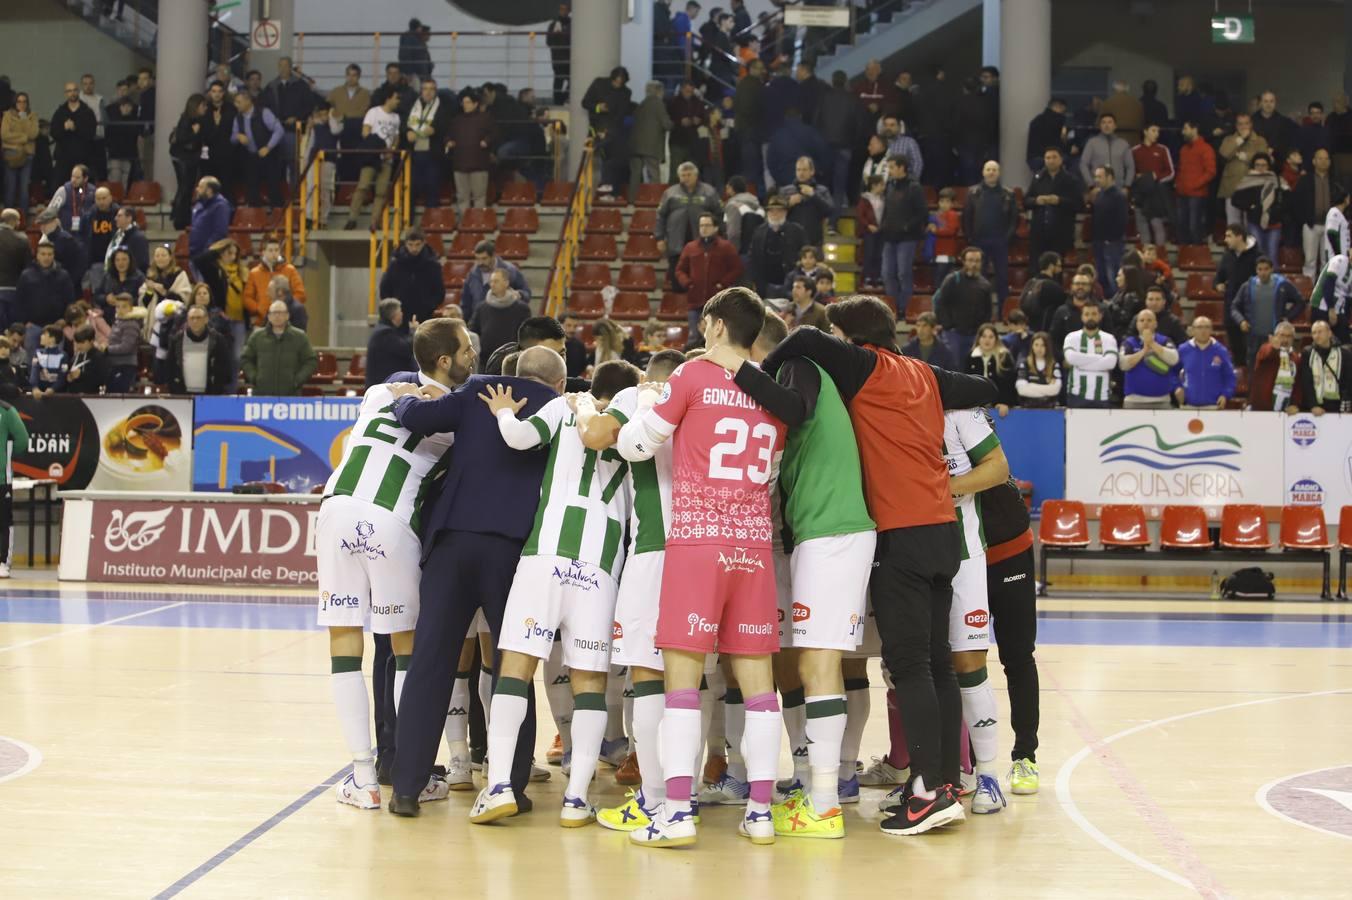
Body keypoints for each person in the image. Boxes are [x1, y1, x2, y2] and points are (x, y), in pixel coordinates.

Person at [761, 296, 998, 836]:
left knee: (909, 666)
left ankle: (931, 792)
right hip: (944, 531)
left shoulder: (865, 366)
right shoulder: (925, 374)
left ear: (852, 337)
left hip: (901, 533)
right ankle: (939, 782)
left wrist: (768, 372)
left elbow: (800, 340)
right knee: (936, 664)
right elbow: (985, 389)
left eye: (841, 336)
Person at [688, 310, 877, 835]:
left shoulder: (799, 363)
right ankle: (820, 797)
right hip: (826, 533)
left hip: (835, 532)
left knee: (819, 666)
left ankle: (824, 803)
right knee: (817, 664)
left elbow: (791, 405)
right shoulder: (799, 382)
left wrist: (734, 365)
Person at [611, 288, 786, 848]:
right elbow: (774, 470)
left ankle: (678, 812)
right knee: (759, 688)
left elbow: (636, 446)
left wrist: (641, 404)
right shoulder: (772, 391)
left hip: (697, 546)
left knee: (682, 685)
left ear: (712, 325)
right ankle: (760, 812)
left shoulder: (691, 375)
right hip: (753, 547)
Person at [384, 342, 563, 816]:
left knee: (431, 663)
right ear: (560, 382)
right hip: (513, 551)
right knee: (513, 667)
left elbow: (416, 419)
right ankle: (511, 785)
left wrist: (402, 397)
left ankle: (406, 788)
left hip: (452, 543)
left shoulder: (478, 388)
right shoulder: (560, 408)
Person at [469, 360, 641, 827]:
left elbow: (518, 439)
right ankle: (577, 799)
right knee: (589, 682)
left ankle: (500, 784)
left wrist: (505, 412)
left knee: (516, 668)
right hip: (600, 566)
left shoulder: (564, 408)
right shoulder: (635, 430)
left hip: (544, 556)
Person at [318, 318, 467, 812]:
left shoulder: (381, 392)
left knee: (343, 640)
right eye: (466, 348)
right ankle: (412, 773)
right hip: (391, 520)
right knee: (405, 648)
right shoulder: (455, 415)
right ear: (447, 359)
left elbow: (404, 382)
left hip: (336, 508)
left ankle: (362, 778)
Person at [1231, 256, 1305, 370]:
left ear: (1271, 269)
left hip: (1276, 337)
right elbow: (1234, 307)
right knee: (1254, 372)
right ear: (1256, 270)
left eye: (1266, 269)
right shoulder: (1247, 286)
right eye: (1260, 269)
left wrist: (1287, 318)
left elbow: (1300, 302)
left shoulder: (1282, 284)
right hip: (1253, 338)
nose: (1263, 272)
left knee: (1276, 371)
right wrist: (1241, 321)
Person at [674, 212, 743, 334]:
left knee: (717, 337)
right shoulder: (690, 247)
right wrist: (688, 284)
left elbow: (737, 268)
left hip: (718, 303)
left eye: (707, 225)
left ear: (715, 227)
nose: (704, 228)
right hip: (695, 301)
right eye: (701, 225)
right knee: (694, 337)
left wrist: (722, 284)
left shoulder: (726, 247)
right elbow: (680, 270)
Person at [656, 163, 723, 287]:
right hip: (676, 243)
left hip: (703, 245)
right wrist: (659, 238)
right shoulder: (670, 192)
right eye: (683, 175)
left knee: (700, 280)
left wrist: (719, 235)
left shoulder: (709, 191)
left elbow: (719, 214)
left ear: (696, 175)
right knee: (677, 281)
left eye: (689, 175)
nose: (686, 178)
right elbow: (661, 216)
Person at [962, 161, 1018, 302]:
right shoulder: (973, 192)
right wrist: (970, 238)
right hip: (979, 241)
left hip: (1000, 241)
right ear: (983, 172)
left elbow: (1014, 220)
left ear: (999, 173)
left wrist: (1007, 238)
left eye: (994, 169)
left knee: (1002, 278)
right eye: (988, 169)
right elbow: (966, 217)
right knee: (979, 279)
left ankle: (1002, 314)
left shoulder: (1009, 194)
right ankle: (981, 312)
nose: (991, 172)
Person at [345, 91, 401, 230]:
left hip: (387, 159)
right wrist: (379, 146)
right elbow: (365, 132)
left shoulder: (396, 118)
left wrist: (392, 149)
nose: (398, 101)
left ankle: (375, 222)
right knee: (363, 186)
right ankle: (352, 218)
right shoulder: (374, 112)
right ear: (388, 98)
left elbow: (396, 137)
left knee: (381, 192)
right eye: (396, 98)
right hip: (372, 156)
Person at [879, 155, 927, 310]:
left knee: (903, 274)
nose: (889, 170)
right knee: (887, 274)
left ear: (901, 168)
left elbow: (922, 213)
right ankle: (892, 308)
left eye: (892, 167)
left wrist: (907, 226)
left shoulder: (914, 187)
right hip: (889, 237)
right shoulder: (889, 186)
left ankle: (904, 308)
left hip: (907, 238)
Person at [241, 300, 318, 395]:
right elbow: (245, 359)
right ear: (269, 316)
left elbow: (311, 360)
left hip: (290, 396)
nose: (277, 316)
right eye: (274, 313)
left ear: (287, 316)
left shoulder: (299, 337)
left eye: (281, 313)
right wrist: (254, 378)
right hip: (261, 396)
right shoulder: (257, 337)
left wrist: (297, 381)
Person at [934, 246, 995, 362]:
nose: (974, 264)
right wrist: (948, 325)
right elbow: (940, 303)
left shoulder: (985, 285)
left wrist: (981, 331)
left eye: (977, 261)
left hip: (975, 335)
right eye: (971, 260)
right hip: (954, 334)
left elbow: (988, 311)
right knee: (954, 368)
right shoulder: (952, 280)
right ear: (964, 261)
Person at [378, 228, 445, 325]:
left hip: (425, 317)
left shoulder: (433, 265)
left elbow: (439, 292)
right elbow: (385, 289)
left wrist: (428, 307)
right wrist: (394, 310)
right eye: (410, 245)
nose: (414, 249)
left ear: (423, 243)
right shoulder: (395, 263)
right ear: (405, 244)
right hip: (398, 317)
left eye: (417, 245)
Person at [445, 90, 496, 214]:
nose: (465, 105)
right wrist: (449, 141)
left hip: (478, 163)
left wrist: (486, 141)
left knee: (479, 197)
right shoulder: (456, 120)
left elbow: (494, 134)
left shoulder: (485, 118)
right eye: (463, 103)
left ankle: (477, 224)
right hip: (460, 163)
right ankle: (464, 223)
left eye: (468, 102)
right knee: (462, 197)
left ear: (475, 104)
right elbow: (448, 135)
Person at [1025, 147, 1080, 262]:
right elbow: (1026, 201)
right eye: (1048, 158)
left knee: (1056, 270)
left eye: (1054, 157)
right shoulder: (1038, 178)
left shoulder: (1071, 180)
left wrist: (1059, 200)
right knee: (1036, 268)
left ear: (1061, 160)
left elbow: (1079, 204)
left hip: (1061, 234)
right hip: (1039, 233)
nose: (1051, 160)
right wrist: (1036, 201)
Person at [1214, 224, 1260, 357]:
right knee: (1235, 349)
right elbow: (1219, 277)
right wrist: (1218, 285)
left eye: (1229, 236)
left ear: (1239, 237)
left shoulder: (1257, 256)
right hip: (1230, 308)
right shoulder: (1227, 256)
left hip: (1251, 310)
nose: (1225, 240)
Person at [1061, 299, 1117, 408]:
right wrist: (1100, 359)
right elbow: (1071, 358)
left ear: (1100, 316)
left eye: (1094, 314)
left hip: (1102, 396)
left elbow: (1110, 363)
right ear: (1082, 317)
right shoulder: (1072, 337)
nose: (1090, 317)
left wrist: (1080, 364)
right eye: (1087, 314)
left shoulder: (1109, 338)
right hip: (1076, 395)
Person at [231, 92, 284, 208]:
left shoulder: (264, 112)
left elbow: (279, 130)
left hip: (269, 155)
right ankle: (255, 216)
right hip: (250, 156)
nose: (236, 105)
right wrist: (238, 137)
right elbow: (232, 138)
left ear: (248, 101)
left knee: (273, 187)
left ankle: (279, 216)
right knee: (251, 188)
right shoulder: (238, 118)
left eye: (239, 102)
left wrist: (268, 147)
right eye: (235, 102)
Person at [1118, 308, 1179, 409]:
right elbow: (1123, 365)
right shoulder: (1129, 342)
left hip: (1162, 400)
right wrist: (1144, 351)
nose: (1145, 323)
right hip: (1134, 401)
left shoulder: (1164, 340)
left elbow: (1174, 359)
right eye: (1142, 320)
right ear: (1137, 324)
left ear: (1155, 324)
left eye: (1149, 320)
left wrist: (1152, 344)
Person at [16, 242, 76, 344]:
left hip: (56, 326)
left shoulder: (63, 275)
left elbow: (70, 300)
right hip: (32, 326)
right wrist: (24, 322)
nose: (46, 257)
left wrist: (65, 320)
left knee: (56, 358)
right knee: (32, 359)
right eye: (43, 254)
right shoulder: (26, 275)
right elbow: (19, 301)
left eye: (49, 254)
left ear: (54, 256)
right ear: (37, 255)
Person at [406, 80, 450, 211]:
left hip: (433, 154)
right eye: (425, 88)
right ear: (421, 91)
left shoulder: (442, 108)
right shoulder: (411, 105)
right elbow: (404, 124)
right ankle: (408, 224)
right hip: (414, 154)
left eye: (431, 89)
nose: (428, 92)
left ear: (436, 91)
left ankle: (431, 224)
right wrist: (407, 132)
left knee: (432, 189)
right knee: (410, 189)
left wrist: (434, 130)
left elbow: (443, 127)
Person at [748, 196, 806, 296]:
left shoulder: (797, 230)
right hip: (764, 281)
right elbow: (753, 257)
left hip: (790, 281)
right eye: (771, 211)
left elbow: (804, 253)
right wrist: (754, 279)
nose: (775, 214)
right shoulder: (759, 231)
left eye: (779, 211)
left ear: (785, 212)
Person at [243, 236, 306, 327]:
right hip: (262, 321)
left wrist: (284, 307)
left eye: (276, 250)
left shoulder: (290, 270)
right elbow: (247, 298)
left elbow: (300, 294)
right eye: (270, 250)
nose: (274, 253)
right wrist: (258, 309)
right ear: (263, 252)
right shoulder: (254, 273)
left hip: (286, 321)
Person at [1219, 114, 1270, 225]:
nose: (1243, 127)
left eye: (1246, 123)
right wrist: (1240, 140)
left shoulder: (1260, 140)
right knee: (1233, 223)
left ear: (1251, 124)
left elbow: (1263, 159)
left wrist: (1246, 156)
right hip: (1232, 186)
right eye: (1240, 124)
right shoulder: (1229, 139)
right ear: (1236, 126)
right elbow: (1224, 154)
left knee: (1250, 223)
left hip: (1252, 186)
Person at [1293, 150, 1338, 277]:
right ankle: (1308, 293)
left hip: (1330, 226)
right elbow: (1296, 202)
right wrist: (1304, 219)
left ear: (1329, 162)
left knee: (1327, 261)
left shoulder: (1335, 180)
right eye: (1320, 158)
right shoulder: (1305, 180)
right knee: (1309, 260)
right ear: (1314, 161)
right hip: (1311, 225)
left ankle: (1324, 293)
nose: (1323, 161)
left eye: (1326, 158)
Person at [1174, 317, 1235, 409]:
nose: (1203, 331)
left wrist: (1225, 394)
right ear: (1193, 330)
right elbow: (1172, 373)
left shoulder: (1221, 351)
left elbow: (1230, 376)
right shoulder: (1183, 350)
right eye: (1199, 327)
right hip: (1188, 406)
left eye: (1207, 327)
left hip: (1214, 406)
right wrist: (1177, 387)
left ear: (1211, 330)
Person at [1291, 320, 1351, 414]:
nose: (1317, 335)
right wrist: (1313, 405)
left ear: (1329, 333)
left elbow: (1348, 381)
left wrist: (1346, 404)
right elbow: (1306, 382)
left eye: (1320, 332)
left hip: (1337, 407)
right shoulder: (1307, 353)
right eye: (1314, 332)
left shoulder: (1344, 354)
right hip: (1313, 408)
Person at [168, 304, 230, 395]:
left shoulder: (218, 340)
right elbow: (170, 366)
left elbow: (225, 368)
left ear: (206, 319)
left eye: (199, 318)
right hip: (183, 395)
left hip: (210, 394)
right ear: (187, 320)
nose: (195, 321)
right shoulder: (177, 340)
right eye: (192, 318)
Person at [469, 269, 531, 357]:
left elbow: (526, 336)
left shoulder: (521, 309)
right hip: (485, 360)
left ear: (506, 283)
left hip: (511, 359)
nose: (492, 285)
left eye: (496, 281)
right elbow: (473, 331)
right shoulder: (481, 307)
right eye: (491, 281)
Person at [1130, 124, 1173, 248]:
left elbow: (1170, 172)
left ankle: (1160, 255)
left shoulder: (1162, 149)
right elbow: (1130, 171)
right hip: (1140, 194)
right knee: (1142, 226)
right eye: (1153, 131)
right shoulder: (1135, 151)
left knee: (1157, 224)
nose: (1156, 134)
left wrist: (1156, 177)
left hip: (1156, 194)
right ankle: (1145, 257)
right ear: (1145, 131)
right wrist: (1138, 178)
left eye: (1158, 131)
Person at [1175, 121, 1217, 245]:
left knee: (1194, 226)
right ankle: (1185, 255)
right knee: (1182, 226)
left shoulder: (1206, 149)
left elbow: (1211, 171)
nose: (1183, 132)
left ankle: (1197, 255)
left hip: (1197, 194)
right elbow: (1181, 169)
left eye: (1185, 128)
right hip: (1182, 193)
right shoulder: (1183, 149)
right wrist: (1178, 184)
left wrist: (1195, 185)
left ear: (1195, 129)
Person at [50, 83, 96, 193]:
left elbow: (91, 133)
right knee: (60, 188)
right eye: (69, 91)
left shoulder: (87, 112)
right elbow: (53, 133)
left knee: (83, 190)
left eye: (75, 90)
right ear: (66, 94)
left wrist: (76, 128)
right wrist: (64, 128)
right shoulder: (60, 112)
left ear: (78, 92)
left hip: (83, 157)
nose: (72, 93)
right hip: (63, 158)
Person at [1089, 165, 1128, 297]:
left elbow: (1122, 221)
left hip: (1113, 243)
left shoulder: (1119, 196)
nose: (1097, 180)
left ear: (1110, 177)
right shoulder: (1099, 195)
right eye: (1096, 177)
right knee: (1102, 276)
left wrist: (1110, 238)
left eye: (1100, 177)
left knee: (1113, 276)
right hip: (1099, 242)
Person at [779, 156, 832, 246]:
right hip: (790, 242)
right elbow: (775, 213)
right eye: (798, 170)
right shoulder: (785, 191)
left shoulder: (822, 190)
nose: (801, 173)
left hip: (814, 243)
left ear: (812, 171)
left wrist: (813, 195)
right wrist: (788, 203)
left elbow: (829, 210)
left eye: (804, 170)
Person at [1248, 323, 1300, 412]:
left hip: (1285, 410)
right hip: (1262, 409)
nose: (1285, 339)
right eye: (1282, 335)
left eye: (1289, 336)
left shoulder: (1296, 358)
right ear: (1275, 336)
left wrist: (1295, 404)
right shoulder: (1265, 349)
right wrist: (1274, 349)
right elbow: (1266, 354)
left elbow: (1297, 385)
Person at [966, 324, 1016, 414]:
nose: (987, 340)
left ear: (996, 339)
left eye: (991, 337)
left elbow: (1009, 383)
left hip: (998, 406)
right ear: (978, 339)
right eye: (984, 336)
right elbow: (966, 383)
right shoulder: (971, 357)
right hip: (975, 407)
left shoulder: (1004, 356)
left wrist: (1004, 402)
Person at [2, 92, 39, 211]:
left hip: (27, 156)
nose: (22, 104)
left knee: (24, 188)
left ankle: (23, 218)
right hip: (12, 155)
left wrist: (24, 119)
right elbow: (5, 135)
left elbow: (33, 134)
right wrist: (24, 138)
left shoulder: (32, 116)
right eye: (19, 101)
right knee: (10, 188)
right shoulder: (7, 115)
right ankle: (7, 218)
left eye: (24, 102)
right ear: (15, 102)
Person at [366, 298, 414, 387]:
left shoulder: (385, 330)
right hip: (382, 387)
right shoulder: (384, 333)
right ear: (394, 315)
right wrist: (415, 332)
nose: (402, 314)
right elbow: (407, 349)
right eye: (400, 311)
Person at [1078, 113, 1134, 189]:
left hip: (1118, 189)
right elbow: (1083, 164)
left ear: (1115, 126)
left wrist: (1127, 186)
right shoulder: (1092, 143)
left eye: (1109, 122)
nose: (1106, 125)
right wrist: (1091, 185)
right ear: (1100, 126)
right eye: (1103, 122)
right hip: (1097, 189)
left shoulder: (1123, 144)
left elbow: (1130, 167)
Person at [34, 210, 85, 290]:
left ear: (55, 222)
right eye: (41, 224)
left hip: (67, 286)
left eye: (45, 223)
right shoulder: (50, 240)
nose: (42, 227)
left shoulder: (65, 240)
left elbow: (75, 265)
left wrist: (68, 284)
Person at [1311, 252, 1352, 343]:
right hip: (1321, 306)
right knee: (1322, 341)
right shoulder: (1339, 260)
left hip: (1339, 309)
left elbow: (1349, 298)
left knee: (1345, 343)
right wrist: (1331, 309)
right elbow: (1328, 284)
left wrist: (1348, 319)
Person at [188, 177, 231, 259]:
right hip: (194, 252)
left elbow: (220, 231)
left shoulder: (221, 206)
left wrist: (207, 249)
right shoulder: (198, 205)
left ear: (209, 190)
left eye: (200, 187)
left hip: (209, 255)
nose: (197, 189)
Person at [1015, 332, 1061, 407]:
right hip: (1027, 408)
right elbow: (1021, 390)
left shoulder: (1054, 365)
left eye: (1043, 345)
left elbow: (1056, 390)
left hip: (1049, 409)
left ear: (1048, 347)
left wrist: (1031, 386)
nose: (1039, 349)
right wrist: (1047, 389)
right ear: (1032, 346)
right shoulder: (1025, 364)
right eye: (1036, 345)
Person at [62, 323, 109, 395]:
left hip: (91, 399)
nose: (78, 346)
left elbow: (102, 379)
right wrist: (69, 378)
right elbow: (68, 377)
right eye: (77, 342)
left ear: (91, 341)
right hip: (73, 397)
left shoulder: (99, 357)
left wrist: (81, 375)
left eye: (82, 343)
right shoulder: (75, 357)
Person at [105, 205, 148, 272]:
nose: (115, 218)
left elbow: (141, 263)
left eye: (119, 216)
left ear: (129, 218)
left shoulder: (138, 238)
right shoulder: (117, 234)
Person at [547, 4, 571, 105]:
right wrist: (556, 36)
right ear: (558, 11)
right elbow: (549, 42)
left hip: (571, 59)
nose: (563, 11)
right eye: (561, 9)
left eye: (565, 9)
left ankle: (562, 99)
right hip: (558, 59)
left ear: (569, 11)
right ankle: (558, 102)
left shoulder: (573, 23)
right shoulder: (553, 25)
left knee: (573, 81)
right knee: (558, 81)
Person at [398, 19, 434, 87]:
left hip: (418, 74)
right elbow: (406, 55)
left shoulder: (414, 39)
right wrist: (409, 73)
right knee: (415, 91)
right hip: (415, 74)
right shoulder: (411, 38)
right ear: (418, 28)